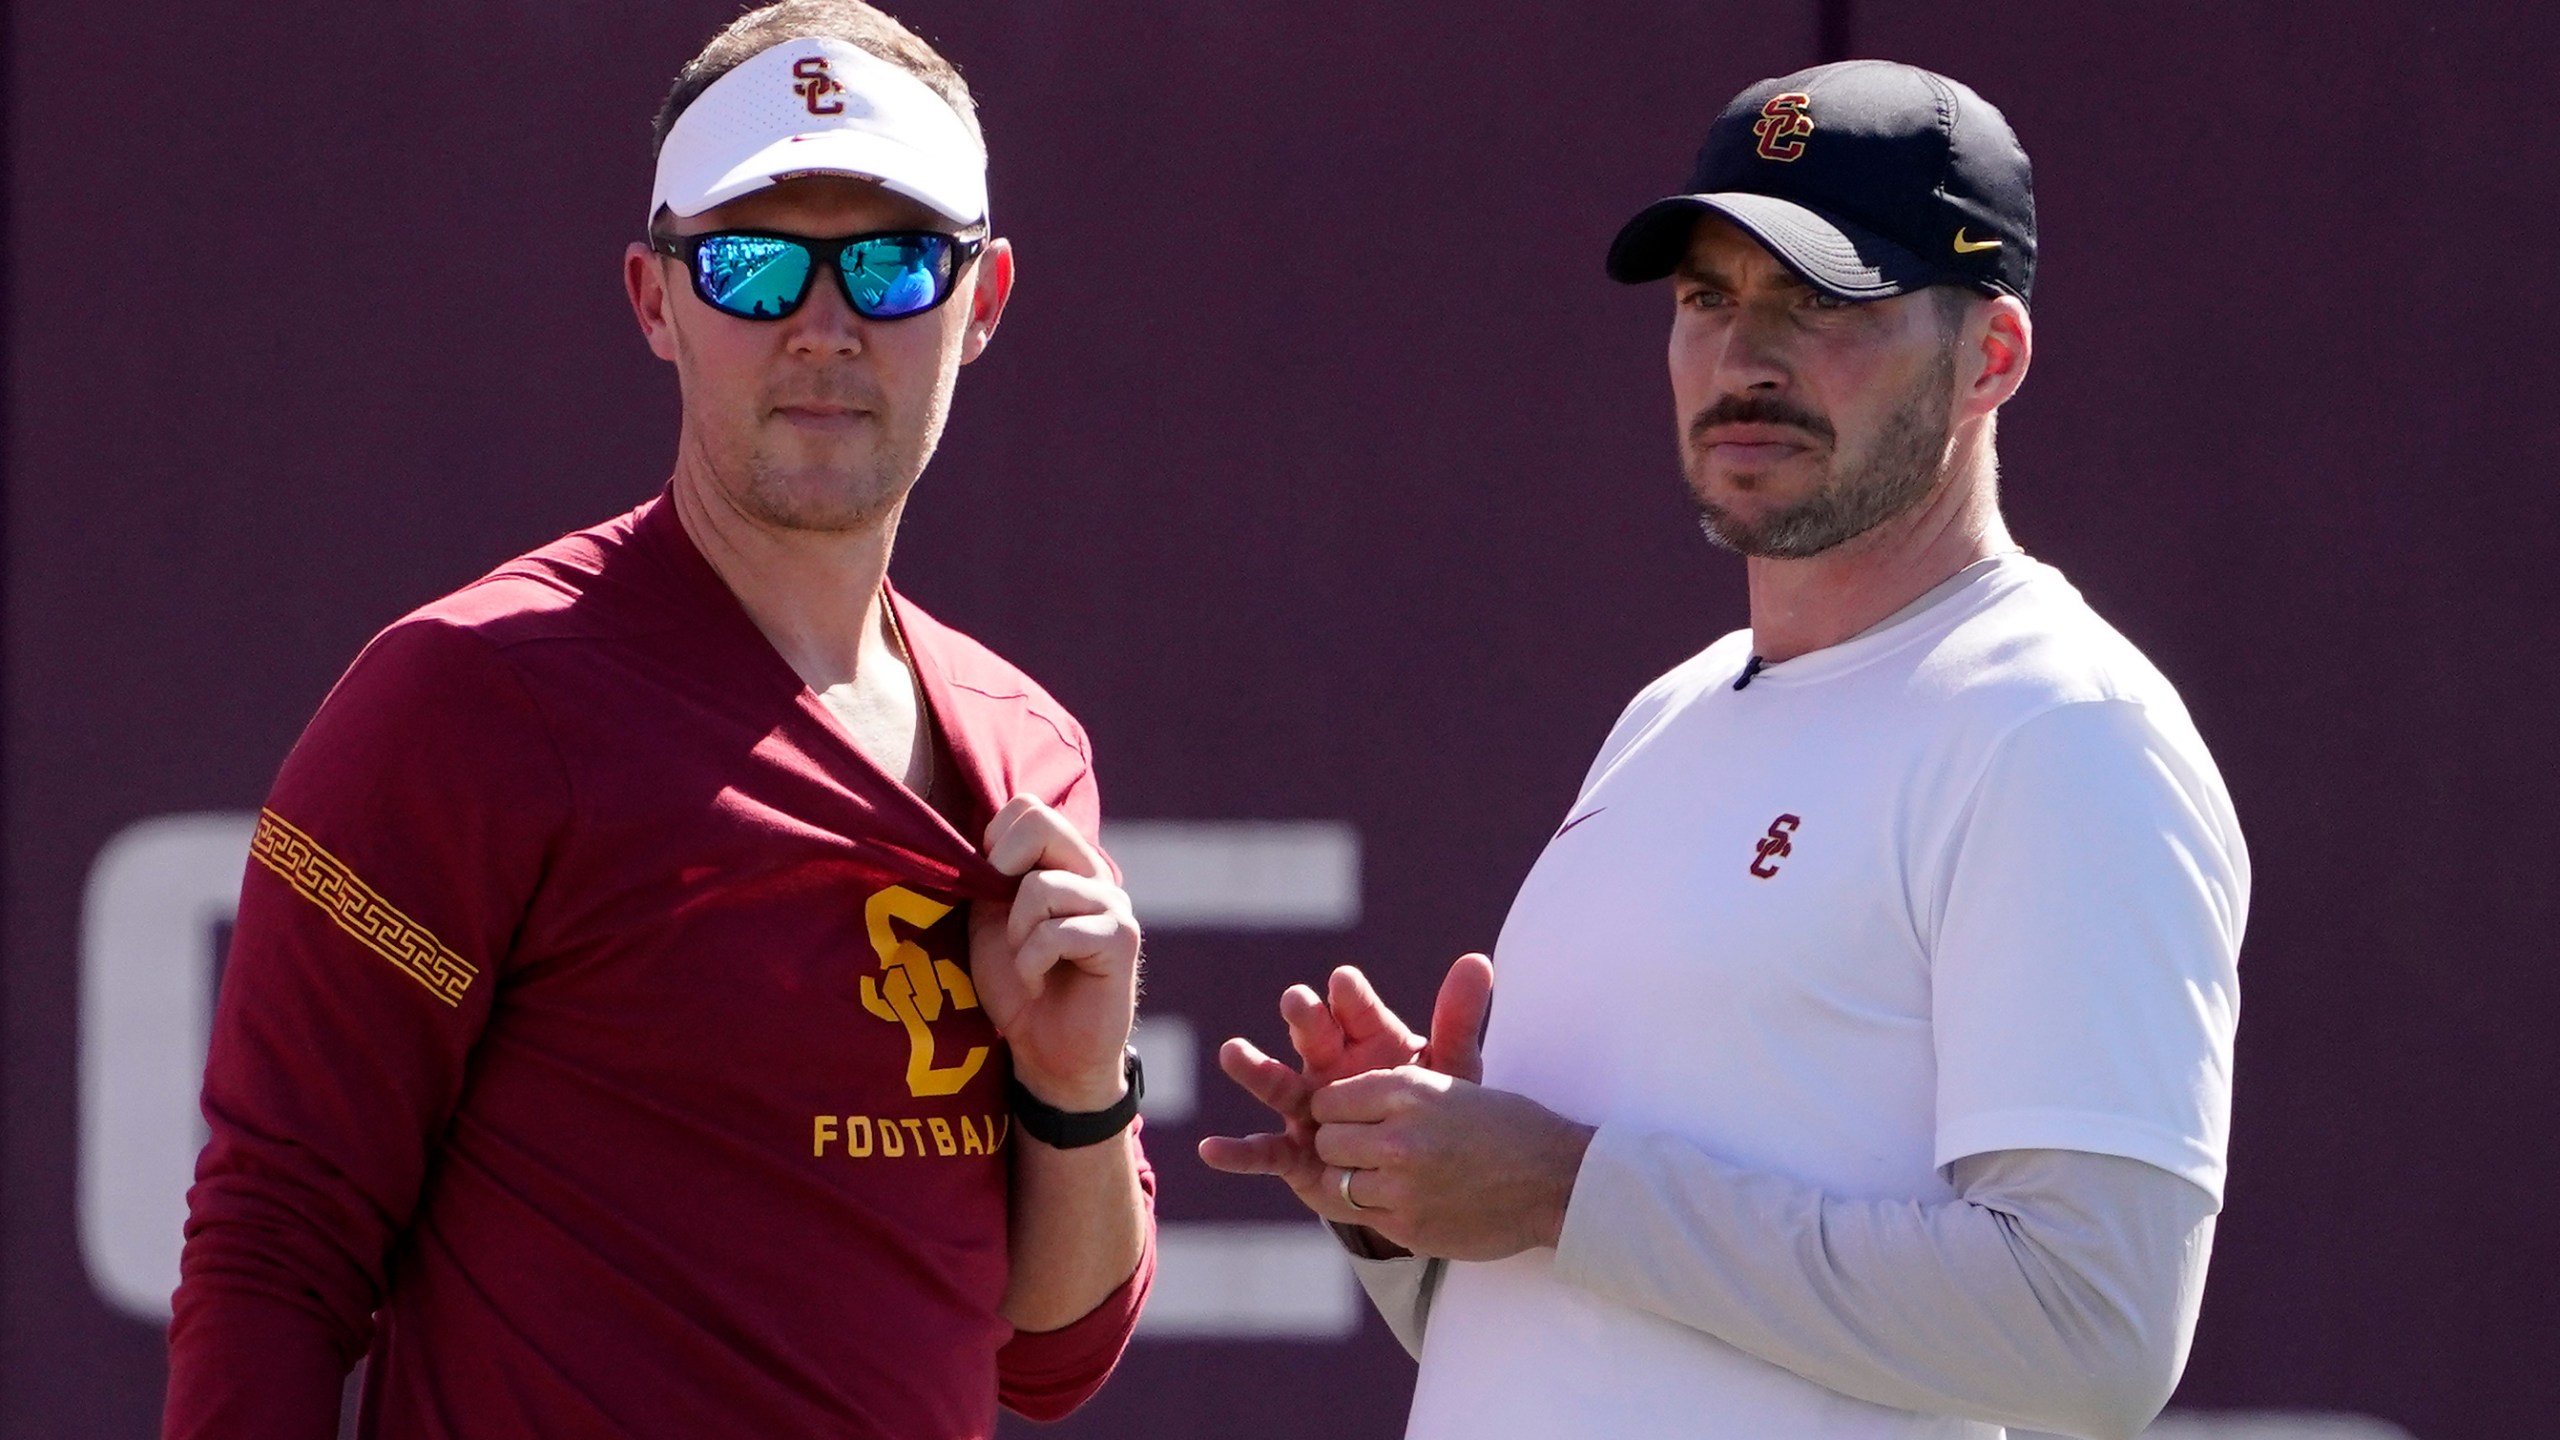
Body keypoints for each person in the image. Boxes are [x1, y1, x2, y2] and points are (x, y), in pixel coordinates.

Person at [1203, 60, 2246, 1440]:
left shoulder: (2061, 729)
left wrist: (1564, 1188)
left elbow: (2091, 1331)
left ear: (1989, 356)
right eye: (1709, 298)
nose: (1746, 358)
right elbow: (1605, 1325)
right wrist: (1413, 1196)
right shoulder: (1670, 716)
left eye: (1821, 303)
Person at [166, 5, 1155, 1436]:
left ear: (983, 300)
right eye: (752, 265)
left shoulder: (1028, 747)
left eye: (891, 263)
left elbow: (1050, 1361)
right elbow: (274, 1245)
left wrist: (1073, 1091)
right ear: (654, 298)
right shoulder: (468, 699)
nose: (824, 327)